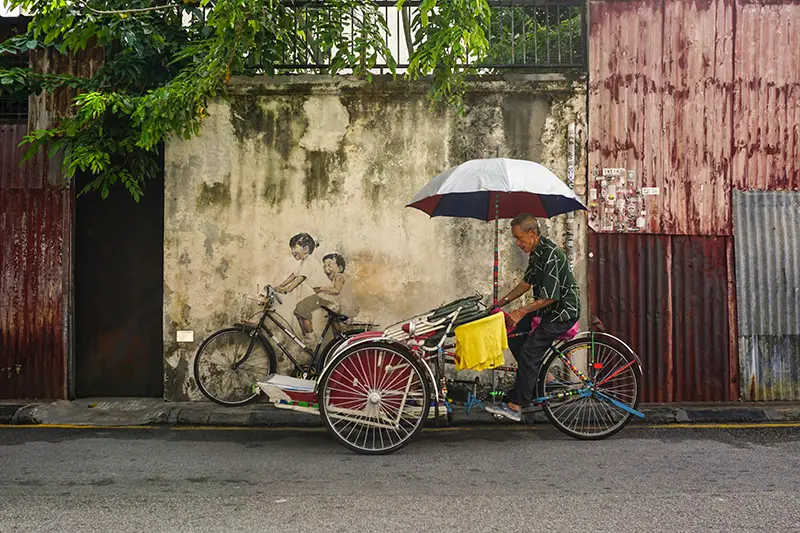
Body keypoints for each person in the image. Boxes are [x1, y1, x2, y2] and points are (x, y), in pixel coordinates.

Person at [485, 213, 581, 422]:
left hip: (561, 313)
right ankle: (547, 380)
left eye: (519, 238)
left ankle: (516, 405)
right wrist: (501, 303)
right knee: (513, 333)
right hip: (547, 311)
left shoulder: (552, 255)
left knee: (529, 351)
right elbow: (526, 284)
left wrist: (521, 311)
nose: (517, 243)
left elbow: (550, 297)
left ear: (532, 234)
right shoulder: (537, 254)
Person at [275, 233, 328, 339]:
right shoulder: (304, 262)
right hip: (322, 294)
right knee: (298, 311)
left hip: (326, 294)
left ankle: (310, 338)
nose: (292, 251)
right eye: (291, 248)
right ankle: (306, 336)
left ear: (306, 248)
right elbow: (293, 276)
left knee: (302, 309)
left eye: (294, 247)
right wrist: (279, 286)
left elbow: (300, 278)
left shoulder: (310, 262)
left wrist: (287, 289)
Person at [294, 253, 360, 338]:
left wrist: (321, 288)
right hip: (341, 306)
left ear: (340, 268)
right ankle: (339, 339)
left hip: (345, 307)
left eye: (329, 265)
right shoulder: (335, 278)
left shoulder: (338, 276)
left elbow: (336, 290)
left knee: (338, 326)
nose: (326, 268)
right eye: (324, 266)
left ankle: (341, 339)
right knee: (335, 323)